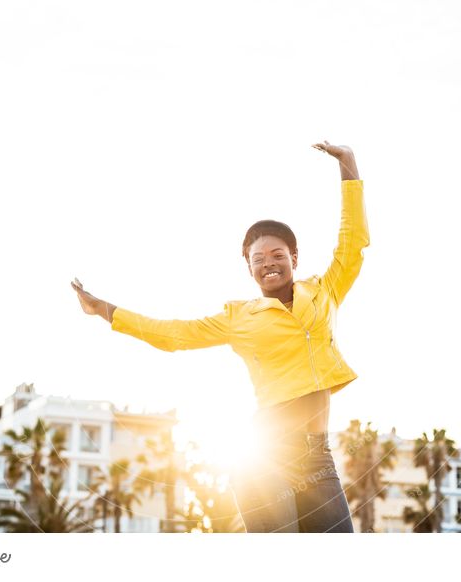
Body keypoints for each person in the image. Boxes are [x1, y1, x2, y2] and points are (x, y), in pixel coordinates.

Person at [71, 140, 369, 532]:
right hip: (266, 459)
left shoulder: (324, 291)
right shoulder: (238, 318)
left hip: (318, 458)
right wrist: (106, 311)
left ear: (294, 258)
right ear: (249, 268)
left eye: (277, 255)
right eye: (257, 260)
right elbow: (173, 335)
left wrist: (348, 165)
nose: (269, 264)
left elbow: (353, 243)